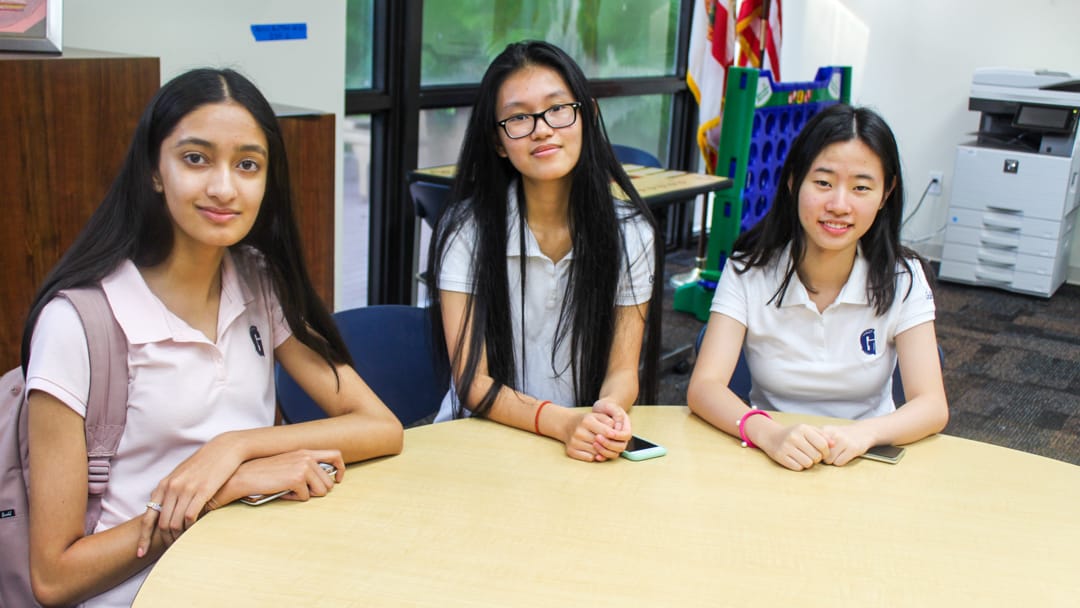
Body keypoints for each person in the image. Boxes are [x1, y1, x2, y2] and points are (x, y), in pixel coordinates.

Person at [21, 67, 404, 607]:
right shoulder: (77, 322)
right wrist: (220, 492)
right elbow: (55, 578)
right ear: (155, 169)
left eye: (248, 164)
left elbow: (381, 427)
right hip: (139, 594)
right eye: (195, 158)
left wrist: (235, 448)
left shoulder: (259, 280)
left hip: (250, 571)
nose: (224, 187)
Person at [426, 40, 663, 462]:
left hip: (579, 441)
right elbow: (471, 381)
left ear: (587, 115)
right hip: (480, 439)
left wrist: (605, 413)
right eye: (518, 117)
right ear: (499, 142)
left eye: (557, 109)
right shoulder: (467, 230)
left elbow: (623, 370)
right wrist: (561, 423)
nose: (542, 128)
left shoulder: (631, 232)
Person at [687, 103, 948, 471]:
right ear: (794, 181)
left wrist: (865, 434)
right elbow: (704, 388)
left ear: (886, 193)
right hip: (772, 457)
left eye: (861, 187)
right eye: (823, 183)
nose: (839, 205)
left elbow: (932, 405)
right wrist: (768, 433)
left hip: (865, 461)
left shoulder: (903, 277)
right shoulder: (749, 270)